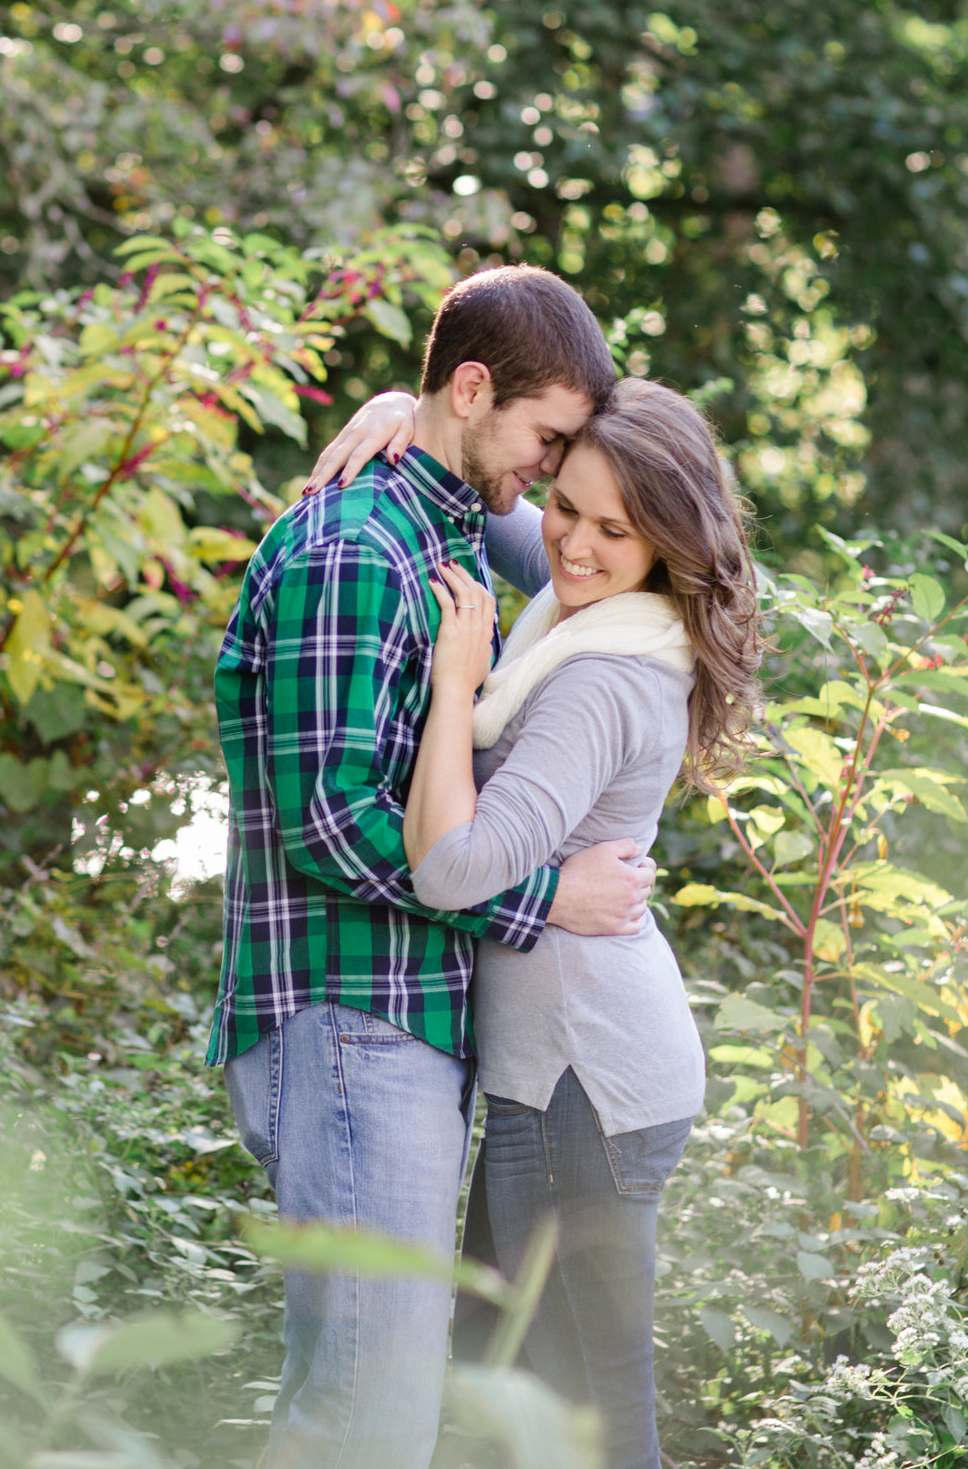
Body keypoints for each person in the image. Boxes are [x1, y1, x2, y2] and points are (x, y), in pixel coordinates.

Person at [211, 265, 661, 1469]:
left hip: (396, 1024)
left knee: (370, 1402)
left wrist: (390, 406)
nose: (553, 476)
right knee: (366, 1416)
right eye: (545, 440)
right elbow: (330, 818)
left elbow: (654, 553)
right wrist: (542, 896)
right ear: (471, 388)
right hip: (349, 1022)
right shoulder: (359, 546)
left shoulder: (443, 524)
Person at [305, 378, 763, 1469]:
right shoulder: (586, 609)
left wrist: (459, 680)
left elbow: (458, 868)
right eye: (568, 505)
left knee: (595, 1429)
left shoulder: (592, 678)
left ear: (665, 541)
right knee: (500, 1407)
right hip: (562, 1078)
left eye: (617, 529)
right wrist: (398, 411)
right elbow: (495, 498)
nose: (575, 544)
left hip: (580, 1086)